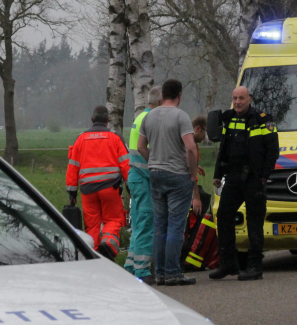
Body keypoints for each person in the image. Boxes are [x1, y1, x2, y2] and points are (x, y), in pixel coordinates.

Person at [210, 87, 279, 281]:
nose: (238, 101)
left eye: (241, 98)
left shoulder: (262, 119)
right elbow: (224, 148)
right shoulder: (229, 118)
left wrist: (264, 176)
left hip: (254, 178)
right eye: (234, 98)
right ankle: (228, 263)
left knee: (254, 221)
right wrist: (218, 174)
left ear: (249, 99)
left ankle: (255, 266)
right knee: (223, 216)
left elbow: (273, 150)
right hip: (232, 177)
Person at [137, 79, 199, 286]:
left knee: (159, 225)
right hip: (178, 175)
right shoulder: (181, 116)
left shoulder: (149, 116)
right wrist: (192, 173)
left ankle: (160, 272)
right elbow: (190, 148)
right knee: (175, 226)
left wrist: (153, 160)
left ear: (163, 95)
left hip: (155, 173)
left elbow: (140, 146)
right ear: (179, 95)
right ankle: (173, 272)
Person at [66, 106, 130, 259]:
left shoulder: (80, 139)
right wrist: (130, 187)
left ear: (92, 120)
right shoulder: (115, 137)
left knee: (92, 227)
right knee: (113, 220)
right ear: (107, 120)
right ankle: (108, 245)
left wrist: (72, 193)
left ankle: (93, 257)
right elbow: (126, 165)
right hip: (110, 189)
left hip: (88, 191)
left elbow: (72, 167)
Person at [124, 86, 162, 284]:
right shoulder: (150, 120)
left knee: (139, 225)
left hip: (136, 177)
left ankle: (131, 266)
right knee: (146, 224)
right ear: (159, 103)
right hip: (144, 178)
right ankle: (142, 271)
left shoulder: (139, 118)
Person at [191, 115, 208, 216]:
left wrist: (196, 166)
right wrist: (196, 198)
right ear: (198, 129)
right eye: (205, 132)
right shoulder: (189, 144)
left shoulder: (193, 142)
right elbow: (189, 172)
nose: (205, 137)